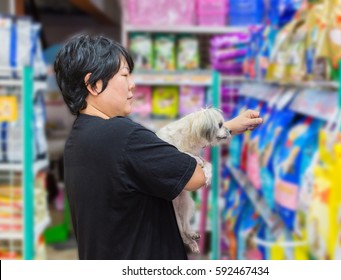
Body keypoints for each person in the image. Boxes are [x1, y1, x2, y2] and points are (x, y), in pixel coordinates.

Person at [54, 34, 262, 260]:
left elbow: (155, 156)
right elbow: (196, 176)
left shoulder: (79, 137)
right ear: (94, 84)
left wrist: (226, 127)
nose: (132, 84)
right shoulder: (125, 137)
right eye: (124, 75)